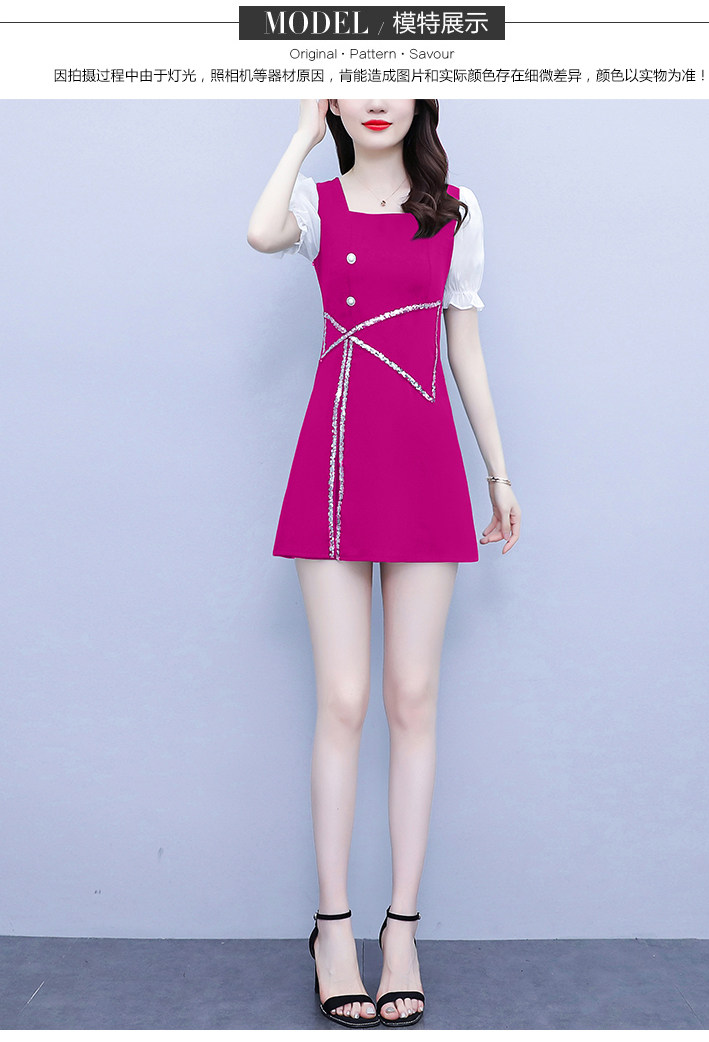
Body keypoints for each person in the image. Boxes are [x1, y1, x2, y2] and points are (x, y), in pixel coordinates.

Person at [247, 98, 521, 1028]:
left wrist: (498, 473)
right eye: (356, 81)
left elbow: (465, 350)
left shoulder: (456, 210)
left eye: (393, 79)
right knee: (343, 699)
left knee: (412, 697)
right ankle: (333, 929)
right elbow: (260, 233)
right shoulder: (317, 205)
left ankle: (401, 931)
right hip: (333, 457)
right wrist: (300, 133)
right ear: (334, 99)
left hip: (425, 459)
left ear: (420, 98)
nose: (376, 99)